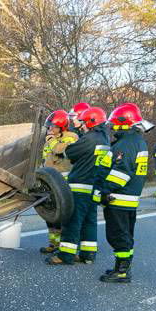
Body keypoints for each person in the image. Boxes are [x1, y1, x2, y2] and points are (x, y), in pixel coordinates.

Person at [93, 103, 152, 283]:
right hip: (129, 198)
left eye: (115, 124)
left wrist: (105, 190)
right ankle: (122, 267)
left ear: (124, 123)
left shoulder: (126, 143)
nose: (113, 127)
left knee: (118, 235)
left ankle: (122, 272)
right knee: (125, 235)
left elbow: (122, 172)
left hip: (119, 197)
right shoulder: (137, 141)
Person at [45, 106, 108, 265]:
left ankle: (65, 255)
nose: (82, 125)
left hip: (80, 185)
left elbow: (70, 153)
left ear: (91, 123)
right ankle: (88, 255)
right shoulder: (104, 139)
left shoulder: (90, 138)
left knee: (72, 220)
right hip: (93, 186)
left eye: (84, 122)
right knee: (89, 221)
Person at [39, 110, 79, 254]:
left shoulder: (72, 137)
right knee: (51, 214)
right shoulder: (51, 138)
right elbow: (45, 159)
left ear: (62, 127)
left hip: (64, 183)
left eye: (53, 127)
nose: (50, 129)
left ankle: (64, 245)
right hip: (49, 182)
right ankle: (53, 243)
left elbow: (59, 150)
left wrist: (50, 139)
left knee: (63, 215)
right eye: (49, 127)